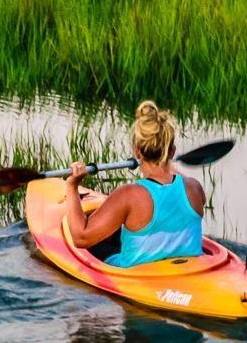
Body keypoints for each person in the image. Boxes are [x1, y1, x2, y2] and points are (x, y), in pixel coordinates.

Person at [62, 101, 206, 267]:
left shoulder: (129, 195)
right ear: (172, 152)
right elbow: (170, 201)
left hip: (137, 275)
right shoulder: (194, 188)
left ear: (137, 151)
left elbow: (81, 238)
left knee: (97, 245)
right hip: (187, 271)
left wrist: (72, 187)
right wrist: (167, 162)